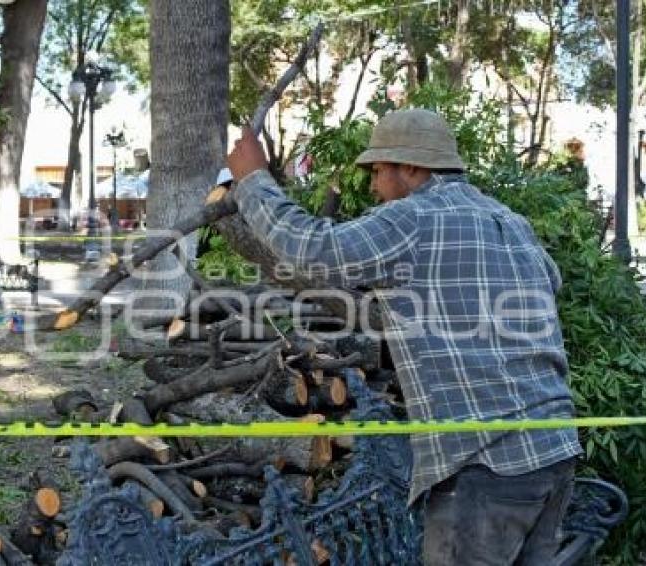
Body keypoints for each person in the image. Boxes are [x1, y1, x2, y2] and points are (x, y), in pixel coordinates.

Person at [226, 108, 582, 565]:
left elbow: (312, 250)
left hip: (485, 465)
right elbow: (548, 284)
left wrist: (254, 180)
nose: (374, 186)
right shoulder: (510, 222)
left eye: (378, 170)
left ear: (411, 168)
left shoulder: (413, 219)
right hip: (552, 451)